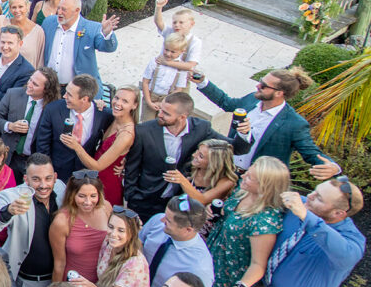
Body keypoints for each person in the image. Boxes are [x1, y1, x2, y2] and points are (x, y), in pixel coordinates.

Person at [196, 67, 342, 178]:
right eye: (260, 82)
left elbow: (310, 152)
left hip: (254, 180)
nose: (257, 86)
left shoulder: (294, 124)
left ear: (279, 93)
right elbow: (226, 103)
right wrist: (203, 82)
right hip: (224, 169)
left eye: (263, 85)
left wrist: (333, 167)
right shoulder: (252, 100)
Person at [123, 92, 244, 222]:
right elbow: (132, 166)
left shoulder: (201, 128)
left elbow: (234, 148)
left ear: (182, 117)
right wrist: (132, 196)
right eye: (161, 110)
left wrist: (244, 133)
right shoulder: (144, 130)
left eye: (166, 113)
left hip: (177, 202)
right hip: (144, 200)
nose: (160, 115)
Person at [0, 153, 67, 287]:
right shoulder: (12, 196)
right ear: (26, 179)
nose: (43, 185)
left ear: (55, 177)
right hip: (24, 281)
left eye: (48, 178)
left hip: (56, 278)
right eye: (36, 179)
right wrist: (8, 211)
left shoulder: (61, 190)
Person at [265, 178, 366, 287]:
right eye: (314, 191)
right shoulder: (305, 206)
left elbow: (346, 254)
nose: (309, 196)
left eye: (319, 198)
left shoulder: (352, 241)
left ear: (338, 213)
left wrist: (306, 217)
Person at [208, 156, 289, 287]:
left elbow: (258, 264)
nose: (243, 176)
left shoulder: (264, 221)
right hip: (211, 257)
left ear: (265, 186)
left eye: (250, 177)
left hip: (226, 274)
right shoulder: (243, 192)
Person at [49, 170, 112, 287]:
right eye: (82, 196)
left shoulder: (106, 209)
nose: (88, 202)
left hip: (101, 284)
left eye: (93, 196)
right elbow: (59, 264)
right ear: (72, 195)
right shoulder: (62, 220)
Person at [60, 86, 139, 206]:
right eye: (117, 98)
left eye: (125, 101)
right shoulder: (113, 117)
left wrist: (76, 146)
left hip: (107, 184)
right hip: (94, 180)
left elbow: (97, 166)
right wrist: (96, 105)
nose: (118, 103)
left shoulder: (126, 134)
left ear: (134, 105)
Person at [36, 74, 114, 181]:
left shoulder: (104, 115)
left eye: (70, 94)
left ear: (85, 99)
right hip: (57, 174)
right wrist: (47, 173)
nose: (64, 96)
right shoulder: (53, 110)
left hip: (86, 177)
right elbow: (42, 145)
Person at [0, 68, 60, 181]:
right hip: (10, 157)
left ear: (46, 90)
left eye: (35, 84)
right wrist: (10, 126)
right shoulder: (12, 94)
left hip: (33, 161)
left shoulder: (53, 107)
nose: (29, 84)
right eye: (30, 80)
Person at [138, 195, 215, 287]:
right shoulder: (158, 220)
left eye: (168, 221)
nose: (162, 220)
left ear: (188, 229)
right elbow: (138, 240)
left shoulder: (200, 266)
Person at [41, 0, 119, 86]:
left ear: (77, 10)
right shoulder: (49, 22)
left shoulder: (91, 28)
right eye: (59, 8)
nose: (59, 12)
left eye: (64, 9)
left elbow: (108, 48)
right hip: (50, 87)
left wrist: (107, 34)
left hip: (78, 90)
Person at [161, 138, 238, 208]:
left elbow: (202, 201)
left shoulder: (227, 181)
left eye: (200, 156)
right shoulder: (192, 168)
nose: (194, 155)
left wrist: (182, 180)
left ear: (214, 163)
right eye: (197, 151)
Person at [140, 32, 189, 122]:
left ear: (182, 51)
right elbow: (145, 82)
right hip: (151, 96)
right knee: (146, 123)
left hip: (168, 99)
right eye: (166, 49)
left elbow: (178, 90)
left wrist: (164, 103)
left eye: (173, 52)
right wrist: (148, 101)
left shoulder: (181, 68)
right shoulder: (155, 61)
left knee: (162, 123)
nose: (168, 54)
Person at [152, 0, 202, 75]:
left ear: (191, 24)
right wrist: (158, 8)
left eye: (181, 22)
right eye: (174, 22)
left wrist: (167, 62)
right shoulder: (170, 32)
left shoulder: (195, 42)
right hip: (161, 73)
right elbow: (159, 22)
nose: (176, 25)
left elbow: (190, 65)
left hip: (179, 78)